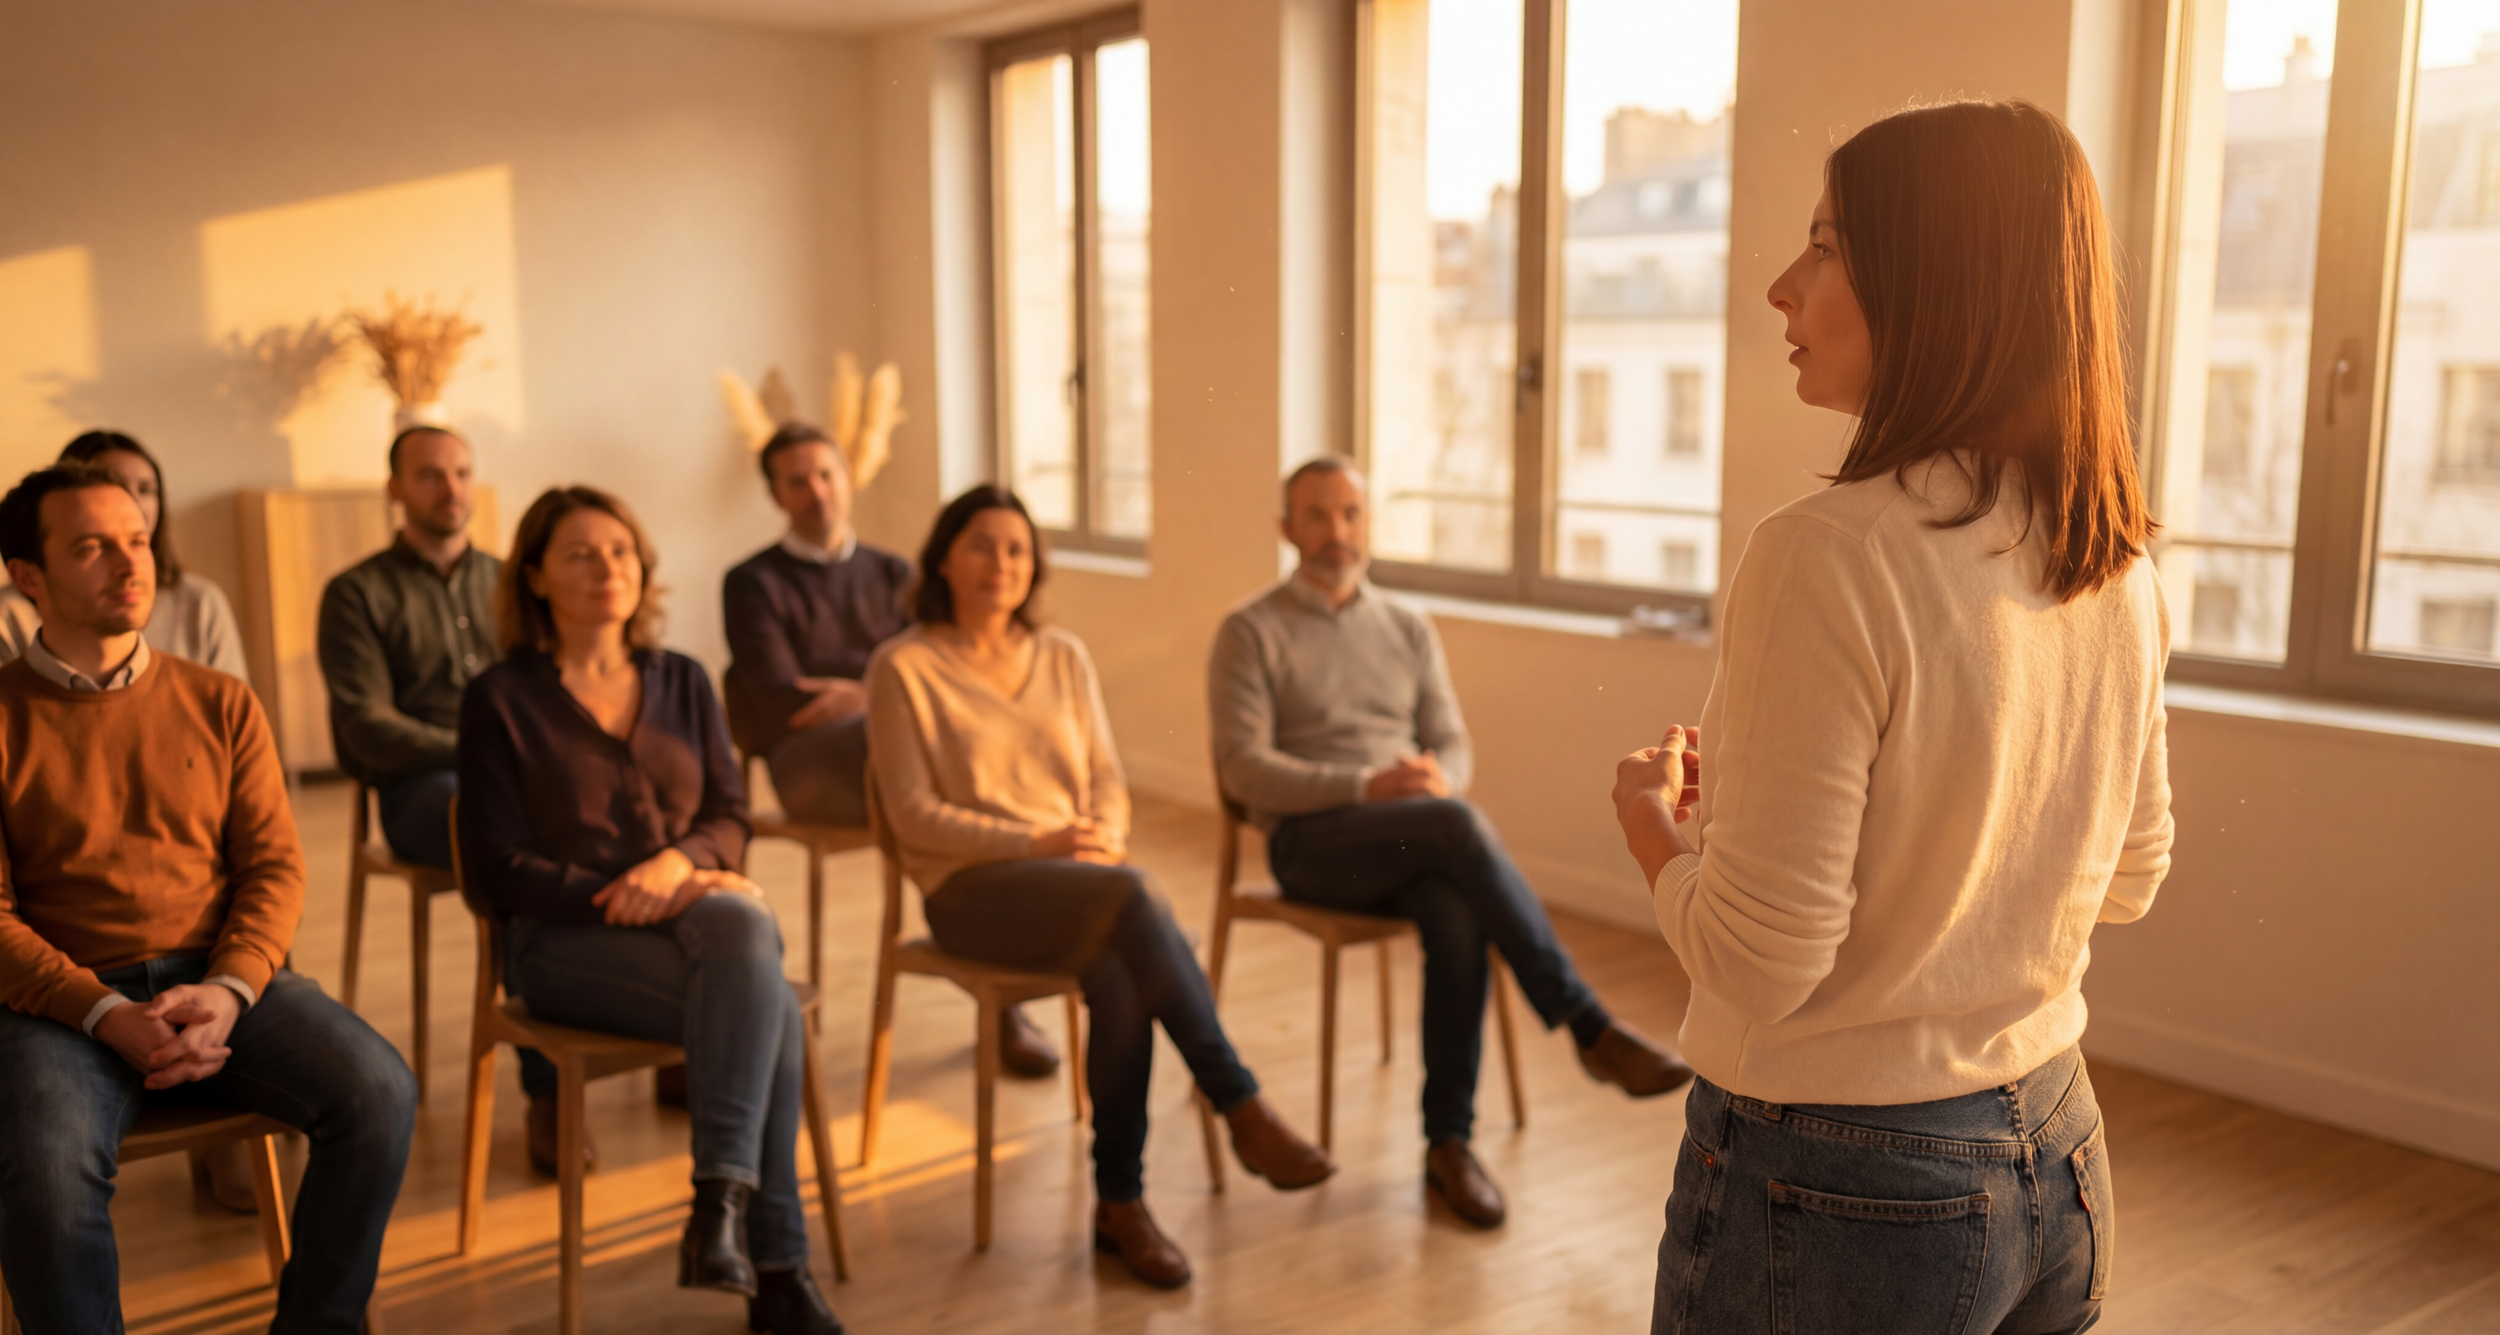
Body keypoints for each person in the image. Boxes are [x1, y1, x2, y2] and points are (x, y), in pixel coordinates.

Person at [1612, 100, 2171, 1335]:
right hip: (2057, 1154)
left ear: (1932, 283)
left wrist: (1654, 828)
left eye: (1823, 246)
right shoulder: (2114, 559)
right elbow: (2125, 876)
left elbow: (1762, 964)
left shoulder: (1825, 557)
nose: (1779, 286)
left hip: (1846, 1187)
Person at [866, 485, 1335, 1290]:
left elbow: (1106, 777)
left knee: (1121, 964)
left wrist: (1102, 834)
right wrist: (1036, 839)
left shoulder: (1063, 656)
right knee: (1134, 900)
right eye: (981, 544)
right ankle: (1237, 1105)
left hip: (1079, 882)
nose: (1000, 563)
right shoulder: (902, 665)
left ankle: (1121, 1201)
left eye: (1016, 549)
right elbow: (914, 815)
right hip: (971, 892)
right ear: (945, 555)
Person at [1208, 455, 1695, 1230]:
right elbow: (1244, 768)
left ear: (1367, 521)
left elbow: (1453, 745)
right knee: (1456, 828)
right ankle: (1584, 1024)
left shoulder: (1405, 626)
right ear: (1286, 527)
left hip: (1408, 836)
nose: (1337, 531)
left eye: (1350, 513)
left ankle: (1448, 1145)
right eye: (1317, 515)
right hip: (1311, 846)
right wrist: (1371, 785)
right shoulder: (1250, 630)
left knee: (1456, 911)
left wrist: (1435, 782)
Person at [0, 464, 417, 1334]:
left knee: (379, 1092)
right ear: (26, 576)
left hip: (218, 978)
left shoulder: (220, 698)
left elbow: (274, 867)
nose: (130, 563)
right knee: (41, 1165)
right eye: (92, 547)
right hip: (58, 1003)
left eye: (139, 541)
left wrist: (230, 989)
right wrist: (105, 1009)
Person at [457, 486, 845, 1335]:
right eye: (581, 554)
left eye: (622, 551)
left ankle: (726, 1213)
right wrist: (623, 891)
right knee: (766, 998)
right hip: (559, 947)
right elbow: (494, 868)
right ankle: (768, 1259)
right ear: (535, 576)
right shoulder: (500, 696)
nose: (607, 568)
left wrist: (675, 866)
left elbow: (729, 817)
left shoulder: (684, 680)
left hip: (689, 932)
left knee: (747, 948)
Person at [720, 428, 1061, 1075]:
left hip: (900, 755)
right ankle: (1005, 991)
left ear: (848, 477)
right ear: (774, 494)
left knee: (942, 767)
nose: (816, 492)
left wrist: (863, 692)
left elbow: (945, 674)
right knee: (949, 760)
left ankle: (1003, 977)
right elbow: (778, 695)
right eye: (797, 481)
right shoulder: (751, 582)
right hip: (809, 766)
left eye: (825, 474)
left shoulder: (894, 572)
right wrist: (892, 691)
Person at [314, 425, 577, 1172]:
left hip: (520, 779)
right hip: (423, 790)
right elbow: (366, 727)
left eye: (462, 472)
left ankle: (655, 1031)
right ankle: (549, 1089)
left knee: (606, 824)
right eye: (430, 475)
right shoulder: (356, 592)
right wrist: (482, 752)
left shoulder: (512, 579)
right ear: (395, 488)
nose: (451, 489)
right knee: (514, 850)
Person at [0, 430, 248, 680]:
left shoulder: (201, 604)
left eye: (145, 489)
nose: (130, 502)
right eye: (93, 547)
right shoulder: (12, 615)